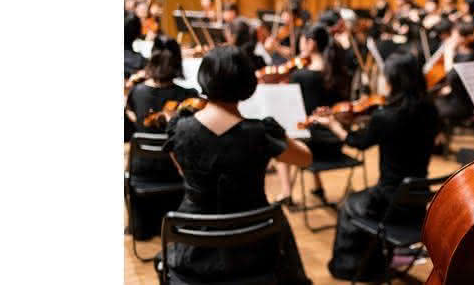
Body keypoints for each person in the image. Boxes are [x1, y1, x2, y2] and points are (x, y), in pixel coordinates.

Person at [162, 46, 313, 284]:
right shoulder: (261, 133)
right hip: (254, 246)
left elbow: (182, 170)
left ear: (204, 79)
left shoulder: (180, 129)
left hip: (195, 248)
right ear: (247, 84)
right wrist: (279, 134)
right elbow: (305, 158)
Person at [318, 54, 440, 281]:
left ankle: (350, 269)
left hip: (388, 202)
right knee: (362, 201)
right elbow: (397, 131)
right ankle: (377, 259)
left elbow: (358, 143)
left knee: (349, 205)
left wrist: (334, 125)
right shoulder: (430, 111)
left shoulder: (385, 117)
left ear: (394, 80)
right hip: (417, 202)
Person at [124, 40, 196, 240]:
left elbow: (131, 122)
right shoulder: (188, 95)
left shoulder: (137, 93)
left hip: (143, 172)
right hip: (176, 171)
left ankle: (138, 225)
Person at [284, 26, 353, 203]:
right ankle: (318, 187)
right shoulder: (340, 73)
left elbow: (294, 115)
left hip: (313, 147)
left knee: (280, 141)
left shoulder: (301, 76)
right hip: (337, 142)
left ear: (311, 44)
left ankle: (286, 193)